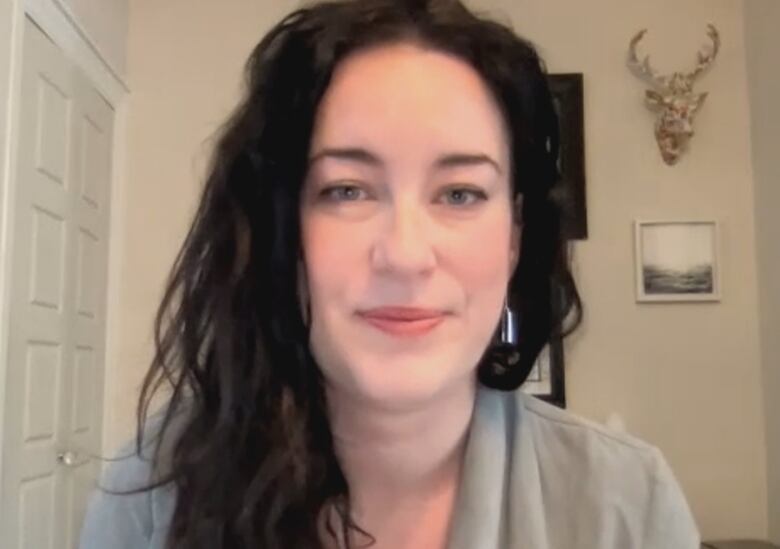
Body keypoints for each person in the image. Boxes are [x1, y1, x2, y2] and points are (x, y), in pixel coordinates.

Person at [79, 0, 701, 547]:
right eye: (347, 190)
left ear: (514, 239)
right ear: (281, 230)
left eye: (460, 194)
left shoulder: (627, 506)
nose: (405, 254)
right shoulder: (152, 493)